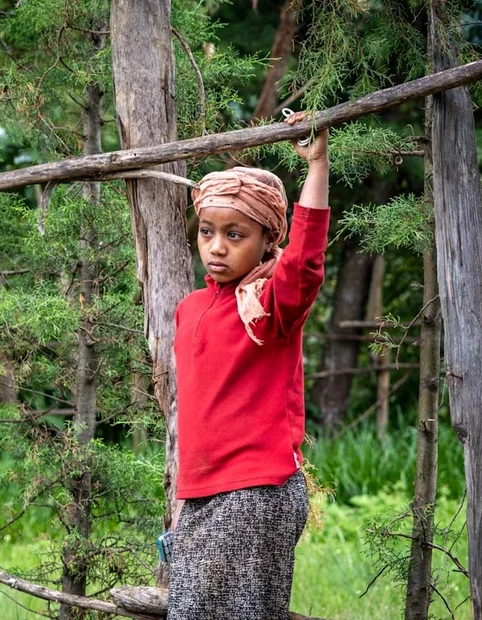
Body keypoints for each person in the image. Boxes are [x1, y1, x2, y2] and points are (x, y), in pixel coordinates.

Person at [167, 111, 330, 620]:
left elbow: (303, 263)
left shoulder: (269, 304)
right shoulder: (191, 307)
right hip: (201, 495)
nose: (217, 246)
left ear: (266, 240)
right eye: (208, 232)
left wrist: (318, 165)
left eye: (236, 235)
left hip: (254, 492)